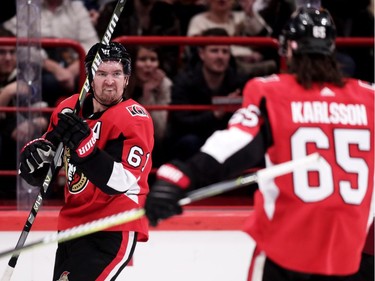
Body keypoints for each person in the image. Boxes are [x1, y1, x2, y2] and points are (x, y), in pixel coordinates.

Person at [145, 6, 375, 281]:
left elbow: (238, 142)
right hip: (350, 252)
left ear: (289, 47)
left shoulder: (272, 91)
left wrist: (180, 176)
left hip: (286, 248)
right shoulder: (369, 97)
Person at [18, 42, 154, 279]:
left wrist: (85, 146)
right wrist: (34, 159)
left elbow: (121, 182)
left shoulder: (134, 118)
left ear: (127, 79)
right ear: (90, 76)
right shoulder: (69, 109)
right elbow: (45, 168)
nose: (109, 81)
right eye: (101, 73)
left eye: (116, 74)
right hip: (73, 223)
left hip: (113, 224)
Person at [166, 27, 247, 161]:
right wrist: (214, 114)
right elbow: (180, 122)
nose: (220, 56)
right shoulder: (184, 81)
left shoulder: (239, 81)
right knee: (189, 142)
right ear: (201, 54)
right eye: (214, 51)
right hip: (193, 138)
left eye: (225, 51)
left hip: (225, 138)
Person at [4, 0, 100, 107]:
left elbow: (92, 45)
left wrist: (71, 72)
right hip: (40, 67)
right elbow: (12, 36)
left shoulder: (76, 7)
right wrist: (53, 67)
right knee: (43, 81)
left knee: (95, 80)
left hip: (74, 67)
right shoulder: (29, 6)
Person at [0, 26, 48, 199]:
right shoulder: (14, 85)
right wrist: (7, 93)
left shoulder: (26, 76)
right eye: (2, 53)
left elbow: (45, 115)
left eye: (12, 52)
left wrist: (33, 124)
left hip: (23, 135)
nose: (8, 58)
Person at [126, 45, 172, 168]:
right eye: (142, 59)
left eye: (153, 59)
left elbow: (160, 130)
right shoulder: (122, 81)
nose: (148, 64)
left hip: (152, 141)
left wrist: (148, 95)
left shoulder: (164, 84)